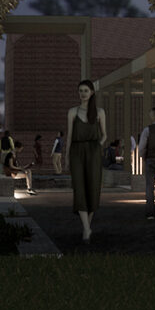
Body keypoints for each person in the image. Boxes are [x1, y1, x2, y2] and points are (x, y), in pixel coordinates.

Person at [65, 78, 109, 243]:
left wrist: (98, 145)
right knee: (79, 188)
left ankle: (86, 228)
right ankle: (86, 228)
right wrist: (67, 157)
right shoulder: (72, 112)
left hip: (93, 152)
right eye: (80, 91)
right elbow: (69, 136)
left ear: (92, 93)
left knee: (93, 187)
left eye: (85, 90)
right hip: (77, 151)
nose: (82, 94)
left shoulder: (100, 112)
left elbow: (105, 134)